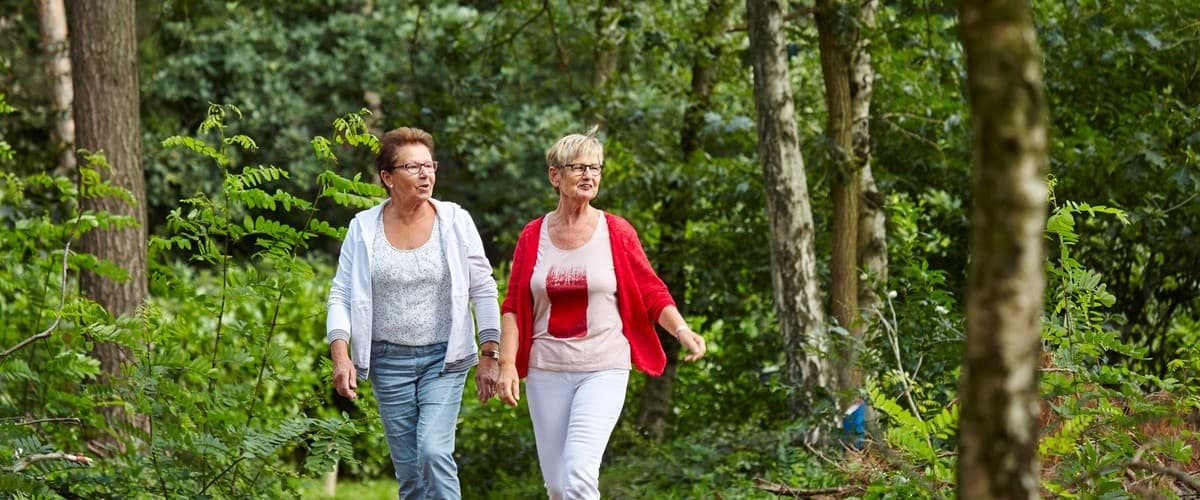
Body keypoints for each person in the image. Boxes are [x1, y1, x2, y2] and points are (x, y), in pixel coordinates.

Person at [495, 128, 707, 499]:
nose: (589, 175)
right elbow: (513, 307)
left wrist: (681, 329)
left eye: (596, 167)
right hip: (547, 370)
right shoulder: (533, 235)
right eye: (579, 167)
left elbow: (651, 291)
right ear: (555, 175)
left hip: (603, 368)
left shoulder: (616, 232)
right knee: (559, 486)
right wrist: (507, 364)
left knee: (579, 473)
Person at [326, 127, 502, 499]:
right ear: (388, 178)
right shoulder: (362, 228)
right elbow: (341, 293)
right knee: (410, 475)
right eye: (413, 167)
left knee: (434, 453)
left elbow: (483, 288)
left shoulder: (455, 221)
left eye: (429, 165)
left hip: (445, 358)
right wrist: (340, 356)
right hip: (389, 361)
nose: (426, 175)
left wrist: (490, 353)